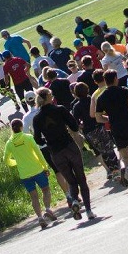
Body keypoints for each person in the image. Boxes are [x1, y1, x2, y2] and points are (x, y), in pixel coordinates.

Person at [33, 88, 95, 220]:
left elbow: (37, 139)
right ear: (47, 97)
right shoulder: (60, 109)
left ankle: (74, 202)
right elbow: (73, 126)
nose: (52, 95)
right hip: (69, 146)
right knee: (81, 179)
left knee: (71, 181)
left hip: (55, 152)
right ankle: (89, 211)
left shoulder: (37, 118)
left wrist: (48, 140)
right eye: (51, 94)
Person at [3, 119, 59, 230]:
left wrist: (16, 162)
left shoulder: (9, 143)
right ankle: (47, 209)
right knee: (46, 189)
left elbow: (6, 160)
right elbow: (38, 153)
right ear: (21, 127)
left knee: (33, 196)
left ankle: (39, 218)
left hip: (24, 174)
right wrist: (45, 167)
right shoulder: (28, 138)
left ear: (12, 128)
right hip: (37, 169)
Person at [71, 82, 121, 178]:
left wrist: (82, 126)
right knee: (109, 147)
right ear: (87, 89)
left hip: (89, 131)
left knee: (101, 151)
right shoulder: (93, 100)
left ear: (76, 93)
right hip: (100, 126)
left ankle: (111, 170)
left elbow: (75, 121)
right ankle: (116, 167)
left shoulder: (76, 106)